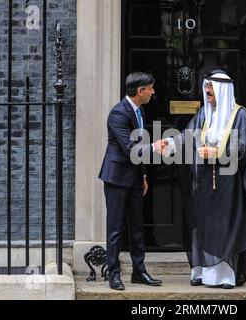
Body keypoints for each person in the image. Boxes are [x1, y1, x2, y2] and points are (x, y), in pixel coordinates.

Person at [165, 69, 246, 289]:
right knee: (204, 224)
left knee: (225, 226)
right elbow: (188, 136)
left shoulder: (240, 115)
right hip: (205, 182)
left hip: (229, 184)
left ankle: (225, 276)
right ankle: (202, 273)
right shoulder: (204, 115)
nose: (207, 96)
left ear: (222, 92)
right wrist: (169, 144)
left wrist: (216, 153)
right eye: (206, 92)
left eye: (211, 92)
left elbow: (244, 149)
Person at [99, 71, 166, 290]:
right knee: (116, 228)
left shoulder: (139, 111)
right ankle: (114, 274)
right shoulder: (118, 113)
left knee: (137, 226)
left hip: (135, 178)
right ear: (140, 91)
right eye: (151, 88)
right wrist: (154, 147)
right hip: (117, 178)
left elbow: (139, 145)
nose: (153, 92)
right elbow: (130, 148)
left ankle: (139, 272)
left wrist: (144, 175)